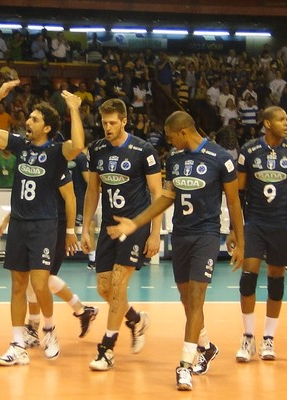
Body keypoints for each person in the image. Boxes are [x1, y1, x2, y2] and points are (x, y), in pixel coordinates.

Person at [106, 111, 245, 391]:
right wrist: (135, 223)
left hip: (206, 234)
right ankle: (205, 346)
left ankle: (185, 365)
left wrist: (239, 240)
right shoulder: (175, 159)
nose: (168, 141)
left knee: (196, 296)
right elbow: (166, 197)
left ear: (183, 132)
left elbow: (233, 202)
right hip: (181, 234)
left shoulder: (221, 158)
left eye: (170, 136)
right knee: (186, 298)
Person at [0, 80, 85, 366]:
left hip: (45, 224)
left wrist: (73, 110)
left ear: (47, 127)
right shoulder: (20, 144)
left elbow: (79, 145)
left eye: (35, 119)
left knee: (40, 285)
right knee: (16, 286)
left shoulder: (57, 151)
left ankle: (48, 329)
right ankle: (16, 345)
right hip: (20, 225)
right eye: (29, 117)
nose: (28, 121)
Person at [80, 99, 161, 372]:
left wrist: (155, 233)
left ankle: (107, 349)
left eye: (113, 122)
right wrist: (85, 227)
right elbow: (93, 190)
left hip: (135, 226)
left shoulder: (143, 150)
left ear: (124, 121)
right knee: (104, 288)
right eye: (104, 122)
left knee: (117, 286)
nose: (108, 127)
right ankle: (136, 319)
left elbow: (157, 195)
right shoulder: (98, 149)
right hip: (108, 227)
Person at [0, 170, 98, 345]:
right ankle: (40, 324)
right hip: (36, 224)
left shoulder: (57, 164)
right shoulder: (33, 164)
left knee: (42, 279)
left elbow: (70, 199)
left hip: (54, 225)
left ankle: (75, 312)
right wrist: (6, 220)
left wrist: (70, 231)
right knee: (32, 279)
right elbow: (28, 201)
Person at [233, 106, 287, 363]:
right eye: (282, 119)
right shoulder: (249, 150)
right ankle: (248, 337)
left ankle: (269, 338)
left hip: (282, 223)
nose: (286, 123)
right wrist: (234, 229)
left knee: (276, 280)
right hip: (255, 222)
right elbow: (238, 191)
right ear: (267, 123)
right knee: (248, 277)